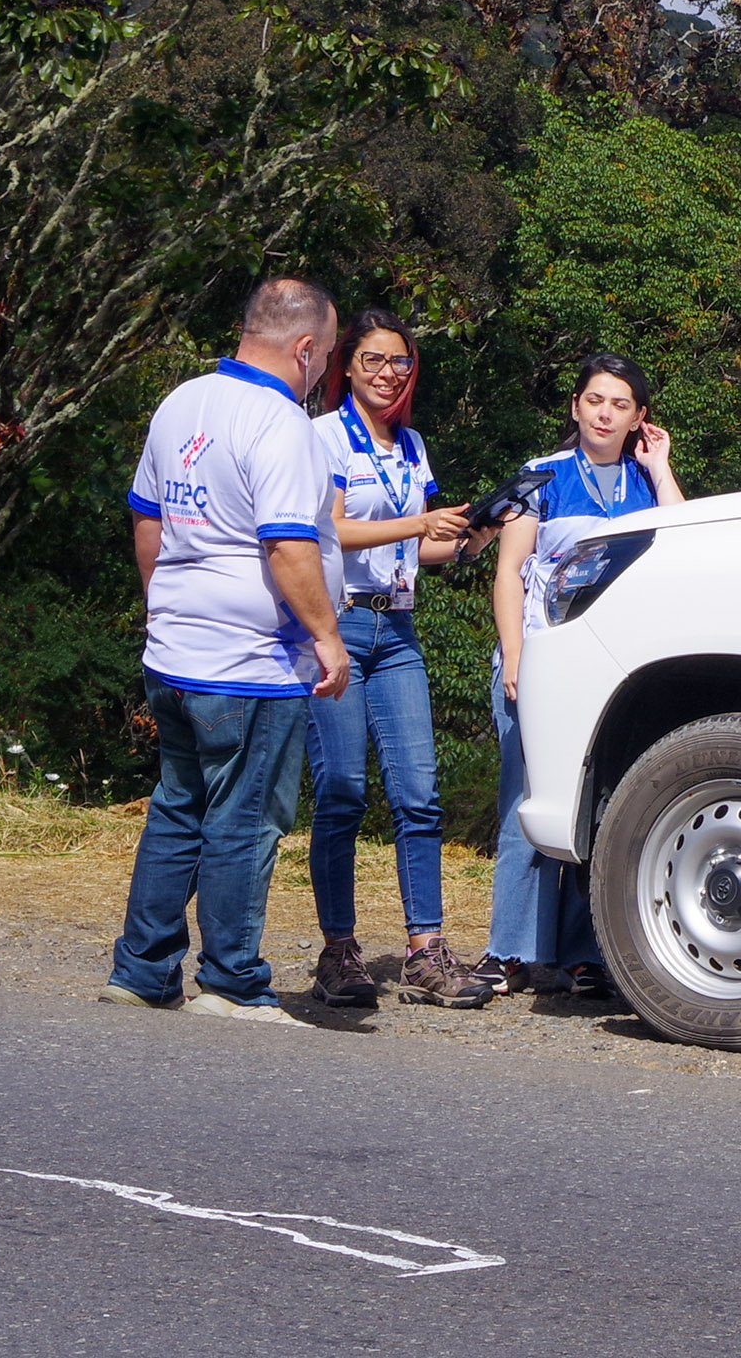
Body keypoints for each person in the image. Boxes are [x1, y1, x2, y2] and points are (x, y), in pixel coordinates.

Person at [104, 278, 351, 1022]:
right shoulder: (281, 425)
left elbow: (148, 524)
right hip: (250, 665)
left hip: (175, 653)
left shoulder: (182, 402)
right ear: (304, 349)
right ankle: (231, 980)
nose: (324, 372)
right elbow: (286, 544)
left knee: (177, 807)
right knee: (245, 820)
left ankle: (142, 972)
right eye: (329, 357)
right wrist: (326, 636)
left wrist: (168, 609)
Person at [304, 309, 497, 1009]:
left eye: (401, 363)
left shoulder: (411, 444)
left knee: (419, 793)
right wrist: (421, 522)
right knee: (343, 792)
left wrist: (472, 537)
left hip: (399, 630)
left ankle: (424, 950)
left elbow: (422, 550)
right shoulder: (322, 438)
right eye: (375, 361)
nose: (390, 374)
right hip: (341, 623)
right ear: (346, 367)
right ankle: (338, 950)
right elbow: (329, 531)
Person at [484, 352, 685, 996]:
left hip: (617, 673)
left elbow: (683, 542)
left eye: (620, 404)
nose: (605, 413)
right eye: (595, 400)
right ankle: (511, 950)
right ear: (575, 407)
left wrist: (661, 466)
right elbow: (510, 571)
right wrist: (514, 658)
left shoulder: (645, 481)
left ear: (639, 418)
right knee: (525, 800)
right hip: (541, 659)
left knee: (599, 810)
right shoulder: (541, 477)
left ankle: (583, 953)